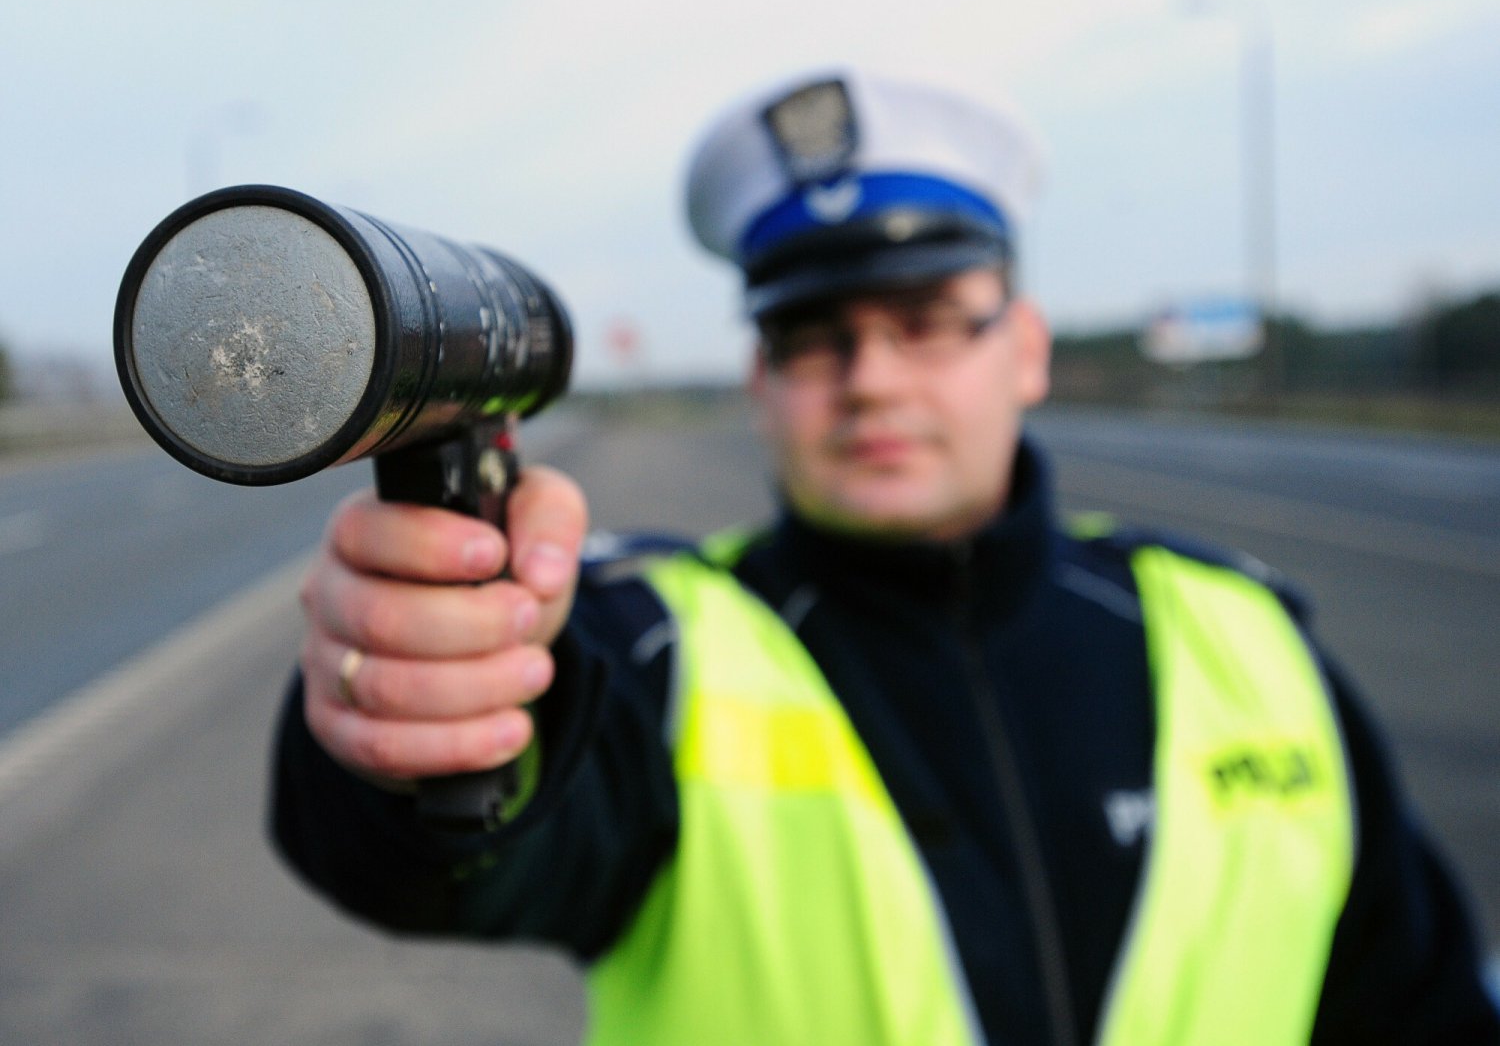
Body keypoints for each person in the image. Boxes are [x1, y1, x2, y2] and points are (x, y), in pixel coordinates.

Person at [271, 71, 1498, 1045]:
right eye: (813, 338)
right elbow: (469, 855)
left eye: (925, 321)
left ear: (1024, 346)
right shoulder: (654, 644)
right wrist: (425, 702)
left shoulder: (1249, 637)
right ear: (760, 380)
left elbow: (1417, 1003)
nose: (871, 379)